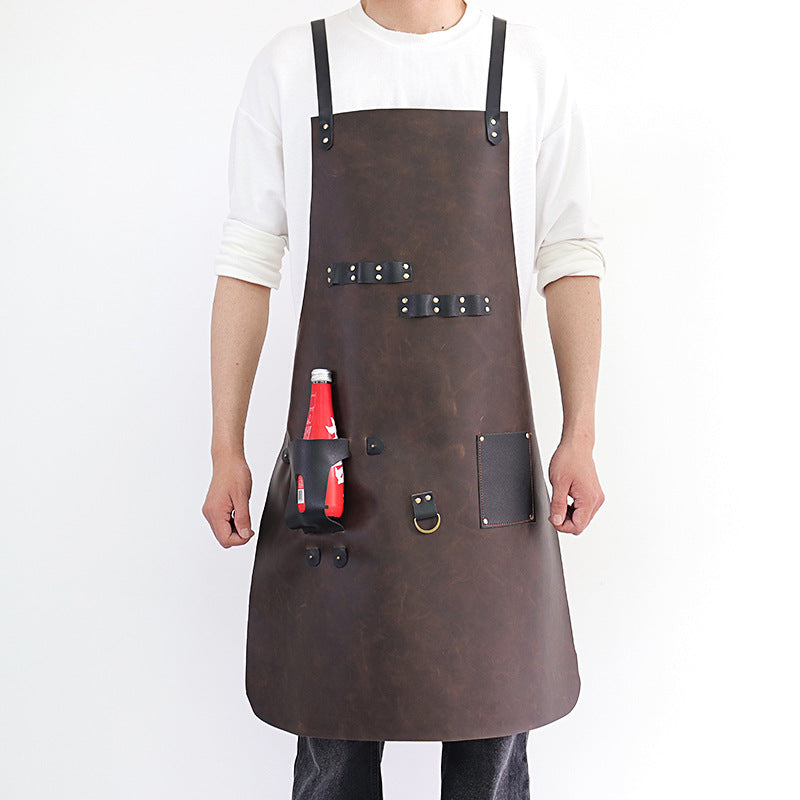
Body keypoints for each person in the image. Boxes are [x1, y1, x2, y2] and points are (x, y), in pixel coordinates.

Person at [203, 1, 605, 797]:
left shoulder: (526, 63)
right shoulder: (294, 64)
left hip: (490, 467)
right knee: (334, 753)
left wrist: (580, 434)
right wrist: (226, 449)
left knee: (492, 745)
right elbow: (248, 261)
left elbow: (569, 255)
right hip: (338, 462)